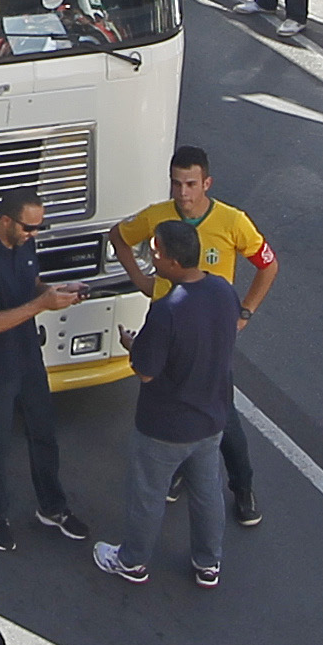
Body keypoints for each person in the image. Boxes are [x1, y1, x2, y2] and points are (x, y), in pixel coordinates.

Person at [97, 219, 242, 589]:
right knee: (207, 491)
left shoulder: (167, 311)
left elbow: (146, 371)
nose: (153, 258)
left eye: (156, 251)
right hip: (211, 418)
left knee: (147, 494)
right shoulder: (224, 291)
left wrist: (133, 345)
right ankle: (209, 562)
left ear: (173, 260)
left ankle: (132, 561)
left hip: (165, 425)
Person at [0, 192, 79, 556]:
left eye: (39, 227)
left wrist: (54, 292)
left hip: (28, 356)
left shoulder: (26, 244)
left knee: (43, 432)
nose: (34, 233)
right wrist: (42, 305)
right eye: (29, 227)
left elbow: (32, 283)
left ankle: (52, 506)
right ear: (6, 221)